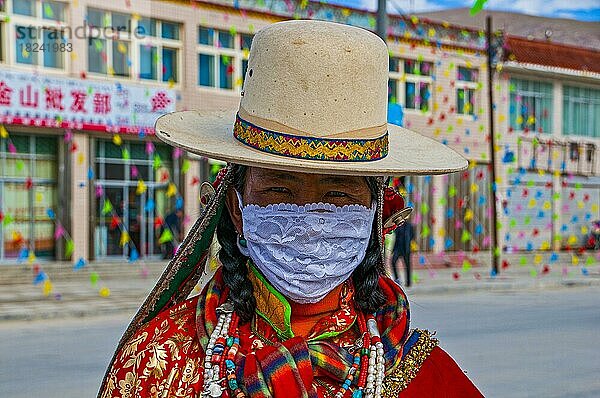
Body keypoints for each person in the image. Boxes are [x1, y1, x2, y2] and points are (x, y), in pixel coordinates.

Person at [99, 20, 482, 398]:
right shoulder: (157, 362)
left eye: (338, 195)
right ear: (236, 208)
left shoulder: (427, 377)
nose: (309, 221)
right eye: (279, 189)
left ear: (374, 213)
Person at [391, 221, 415, 287]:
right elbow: (395, 237)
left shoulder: (409, 225)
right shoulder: (397, 226)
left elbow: (412, 236)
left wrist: (408, 243)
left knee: (407, 265)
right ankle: (397, 279)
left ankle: (408, 282)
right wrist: (393, 249)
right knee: (393, 262)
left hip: (406, 249)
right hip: (398, 248)